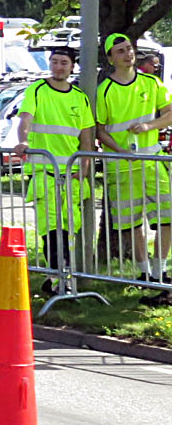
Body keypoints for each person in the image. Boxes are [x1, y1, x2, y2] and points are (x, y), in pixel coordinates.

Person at [13, 46, 97, 299]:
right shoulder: (37, 89)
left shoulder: (80, 97)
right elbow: (25, 119)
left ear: (72, 67)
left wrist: (84, 168)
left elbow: (86, 136)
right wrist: (23, 141)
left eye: (63, 63)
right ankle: (59, 279)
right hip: (44, 172)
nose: (58, 67)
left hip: (71, 174)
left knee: (69, 229)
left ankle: (59, 279)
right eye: (54, 62)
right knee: (51, 229)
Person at [96, 32, 172, 290]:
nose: (128, 54)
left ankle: (160, 271)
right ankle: (144, 274)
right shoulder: (105, 90)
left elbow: (169, 113)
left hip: (152, 161)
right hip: (122, 166)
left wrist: (149, 125)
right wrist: (119, 150)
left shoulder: (152, 82)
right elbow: (100, 130)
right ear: (110, 58)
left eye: (129, 49)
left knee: (167, 217)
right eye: (121, 51)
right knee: (132, 223)